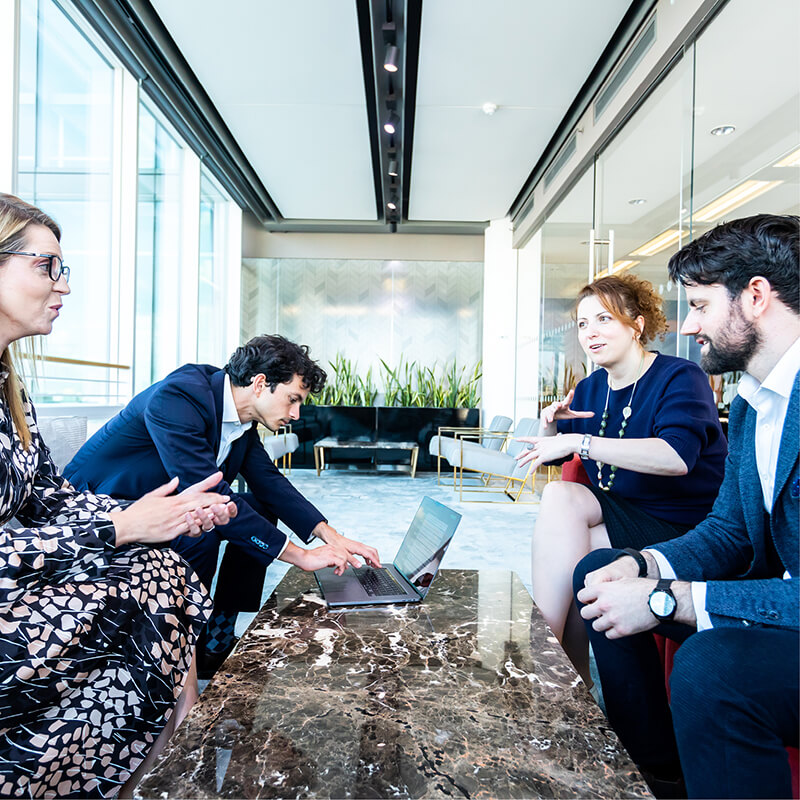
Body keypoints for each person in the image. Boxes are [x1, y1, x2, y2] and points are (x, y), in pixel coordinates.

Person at [0, 193, 238, 797]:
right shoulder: (182, 394)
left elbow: (47, 497)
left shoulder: (10, 388)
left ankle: (157, 762)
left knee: (165, 564)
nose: (63, 285)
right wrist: (121, 528)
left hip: (27, 572)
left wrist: (156, 514)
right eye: (45, 266)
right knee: (146, 580)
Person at [574, 214, 799, 799]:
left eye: (699, 306)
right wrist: (645, 567)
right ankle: (654, 772)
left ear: (755, 296)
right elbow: (728, 530)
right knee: (599, 575)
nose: (690, 325)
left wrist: (663, 598)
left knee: (713, 667)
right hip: (774, 589)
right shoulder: (754, 401)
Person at [65, 335, 381, 677]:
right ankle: (178, 644)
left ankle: (218, 632)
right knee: (204, 524)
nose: (295, 413)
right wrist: (300, 556)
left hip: (162, 503)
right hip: (99, 509)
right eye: (292, 399)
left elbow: (270, 483)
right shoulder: (179, 397)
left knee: (257, 506)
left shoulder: (241, 419)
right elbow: (205, 492)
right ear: (261, 384)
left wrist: (331, 537)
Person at [517, 274, 727, 683]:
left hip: (685, 525)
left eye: (604, 320)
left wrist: (582, 441)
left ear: (637, 325)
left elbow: (676, 457)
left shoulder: (680, 377)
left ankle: (549, 661)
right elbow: (553, 459)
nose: (590, 333)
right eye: (582, 324)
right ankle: (565, 671)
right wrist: (549, 429)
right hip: (622, 512)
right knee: (563, 506)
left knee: (577, 550)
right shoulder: (591, 388)